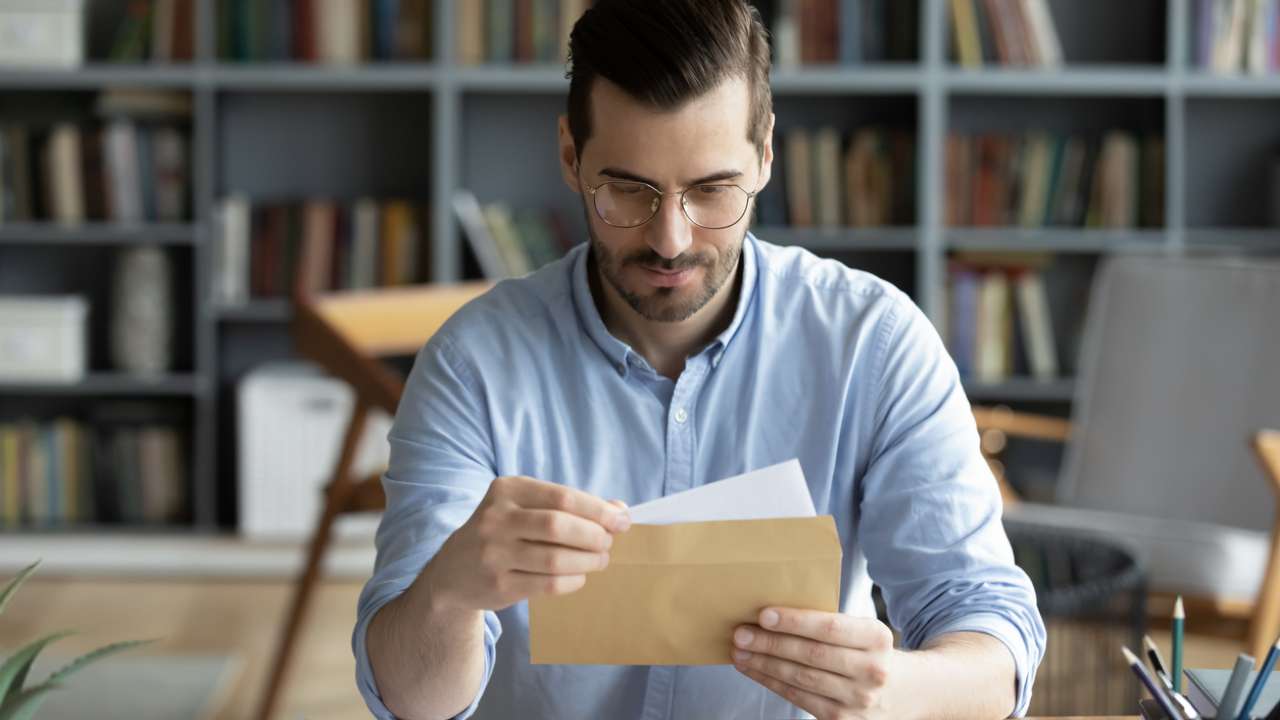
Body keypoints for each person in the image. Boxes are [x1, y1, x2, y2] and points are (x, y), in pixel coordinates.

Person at [354, 1, 1046, 718]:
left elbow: (991, 637)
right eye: (629, 190)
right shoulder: (472, 365)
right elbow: (409, 700)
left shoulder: (875, 345)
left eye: (712, 190)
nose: (671, 240)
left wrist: (894, 690)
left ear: (766, 155)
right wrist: (450, 593)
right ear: (569, 156)